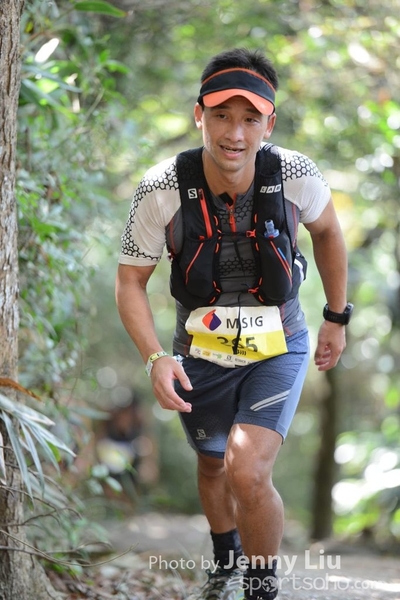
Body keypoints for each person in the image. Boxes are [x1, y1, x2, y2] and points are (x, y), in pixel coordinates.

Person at [115, 48, 352, 600]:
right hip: (199, 352)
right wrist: (156, 358)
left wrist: (336, 317)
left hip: (279, 345)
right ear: (199, 114)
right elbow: (130, 281)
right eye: (222, 115)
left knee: (246, 470)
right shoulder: (160, 187)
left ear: (270, 123)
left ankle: (259, 588)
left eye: (250, 118)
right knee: (212, 462)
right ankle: (225, 561)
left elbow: (328, 233)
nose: (235, 133)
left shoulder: (295, 174)